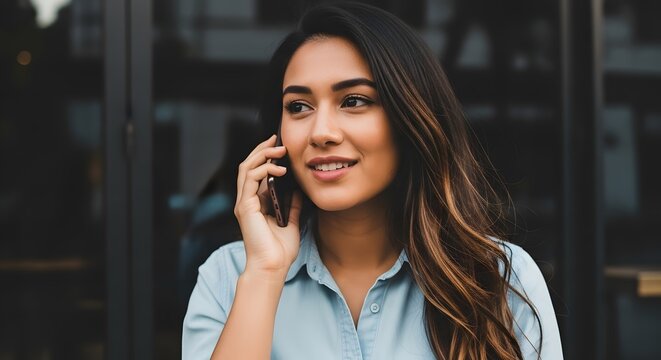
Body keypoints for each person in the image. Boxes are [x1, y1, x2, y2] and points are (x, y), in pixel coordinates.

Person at [182, 2, 563, 359]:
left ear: (410, 118)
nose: (321, 132)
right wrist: (265, 274)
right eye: (298, 107)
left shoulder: (499, 279)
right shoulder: (230, 277)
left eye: (354, 101)